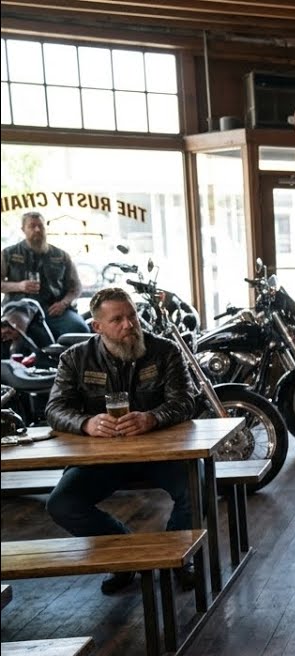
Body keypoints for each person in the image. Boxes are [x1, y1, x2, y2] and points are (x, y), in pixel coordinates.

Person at [43, 287, 199, 595]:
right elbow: (55, 409)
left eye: (132, 316)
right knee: (62, 504)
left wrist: (152, 417)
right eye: (117, 319)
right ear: (97, 327)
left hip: (160, 455)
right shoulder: (75, 359)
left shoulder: (164, 351)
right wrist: (86, 423)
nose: (129, 325)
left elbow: (187, 401)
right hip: (102, 460)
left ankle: (179, 560)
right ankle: (128, 558)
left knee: (198, 485)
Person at [1, 211, 91, 350]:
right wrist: (19, 286)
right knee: (11, 337)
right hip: (19, 310)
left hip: (54, 310)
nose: (37, 229)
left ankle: (71, 368)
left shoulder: (61, 256)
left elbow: (76, 287)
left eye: (40, 226)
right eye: (32, 226)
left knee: (80, 329)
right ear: (23, 229)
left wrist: (63, 304)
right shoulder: (8, 253)